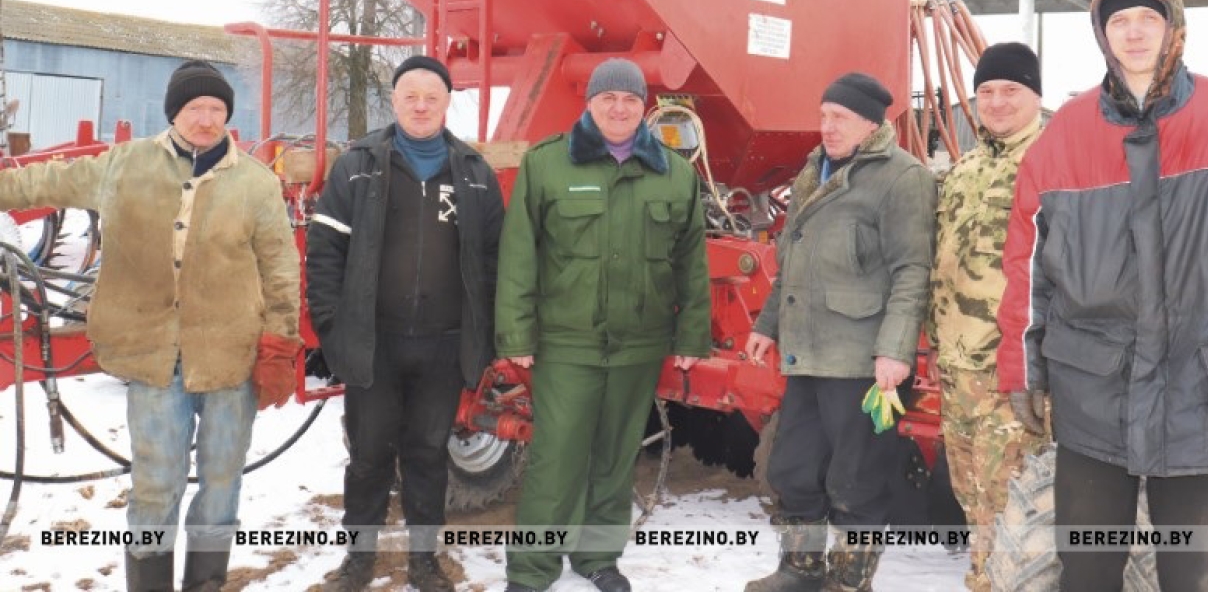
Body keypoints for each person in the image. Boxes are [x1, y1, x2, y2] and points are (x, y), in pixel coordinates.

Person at [996, 0, 1208, 591]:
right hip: (1093, 395)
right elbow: (1029, 270)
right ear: (1101, 34)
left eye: (1148, 17)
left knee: (1194, 578)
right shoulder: (1064, 135)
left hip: (1204, 394)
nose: (1135, 33)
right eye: (1119, 20)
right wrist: (1022, 370)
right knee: (1086, 572)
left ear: (1174, 27)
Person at [0, 60, 301, 592]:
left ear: (227, 115)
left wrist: (279, 345)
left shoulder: (255, 184)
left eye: (216, 109)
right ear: (173, 113)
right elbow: (46, 180)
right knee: (156, 487)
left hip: (230, 357)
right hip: (154, 358)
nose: (206, 120)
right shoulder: (125, 165)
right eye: (194, 109)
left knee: (221, 485)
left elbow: (280, 268)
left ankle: (205, 584)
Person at [494, 57, 711, 592]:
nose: (619, 108)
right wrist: (516, 335)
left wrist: (691, 337)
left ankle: (597, 557)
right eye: (608, 98)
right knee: (556, 458)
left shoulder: (675, 175)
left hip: (640, 343)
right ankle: (531, 569)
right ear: (589, 103)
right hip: (568, 342)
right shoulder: (547, 165)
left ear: (645, 108)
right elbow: (518, 255)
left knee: (616, 456)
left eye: (631, 100)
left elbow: (692, 263)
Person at [305, 55, 505, 592]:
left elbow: (493, 262)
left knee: (428, 453)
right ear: (393, 102)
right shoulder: (358, 166)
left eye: (432, 97)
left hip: (444, 347)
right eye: (410, 96)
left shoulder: (474, 174)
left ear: (446, 104)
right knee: (369, 456)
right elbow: (324, 255)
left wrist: (481, 340)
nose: (421, 106)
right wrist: (333, 329)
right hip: (375, 346)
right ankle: (358, 560)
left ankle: (423, 560)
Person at [744, 72, 936, 592]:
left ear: (871, 124)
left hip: (862, 361)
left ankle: (849, 581)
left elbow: (912, 271)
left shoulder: (902, 178)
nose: (827, 127)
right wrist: (767, 325)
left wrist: (895, 351)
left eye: (840, 118)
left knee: (857, 477)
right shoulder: (815, 169)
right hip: (805, 352)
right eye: (824, 115)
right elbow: (792, 260)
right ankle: (799, 571)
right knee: (794, 466)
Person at [927, 42, 1047, 592]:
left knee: (1013, 507)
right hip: (958, 371)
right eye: (986, 92)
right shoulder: (964, 169)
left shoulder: (1054, 163)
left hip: (1014, 376)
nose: (997, 103)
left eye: (1011, 90)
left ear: (1035, 95)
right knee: (973, 498)